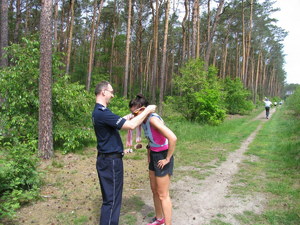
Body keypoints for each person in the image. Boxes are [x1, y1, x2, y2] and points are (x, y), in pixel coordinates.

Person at [92, 81, 156, 225]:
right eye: (111, 92)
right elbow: (131, 125)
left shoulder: (99, 112)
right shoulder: (103, 113)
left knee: (110, 199)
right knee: (112, 201)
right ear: (103, 92)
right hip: (111, 162)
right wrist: (148, 110)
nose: (112, 95)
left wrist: (133, 114)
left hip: (106, 160)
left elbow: (122, 120)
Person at [129, 94, 177, 225]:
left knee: (163, 194)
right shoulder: (143, 121)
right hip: (154, 155)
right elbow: (152, 139)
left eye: (136, 112)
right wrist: (149, 152)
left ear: (144, 110)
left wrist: (167, 158)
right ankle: (160, 218)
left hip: (162, 156)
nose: (134, 115)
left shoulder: (152, 120)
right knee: (154, 190)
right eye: (132, 113)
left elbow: (173, 138)